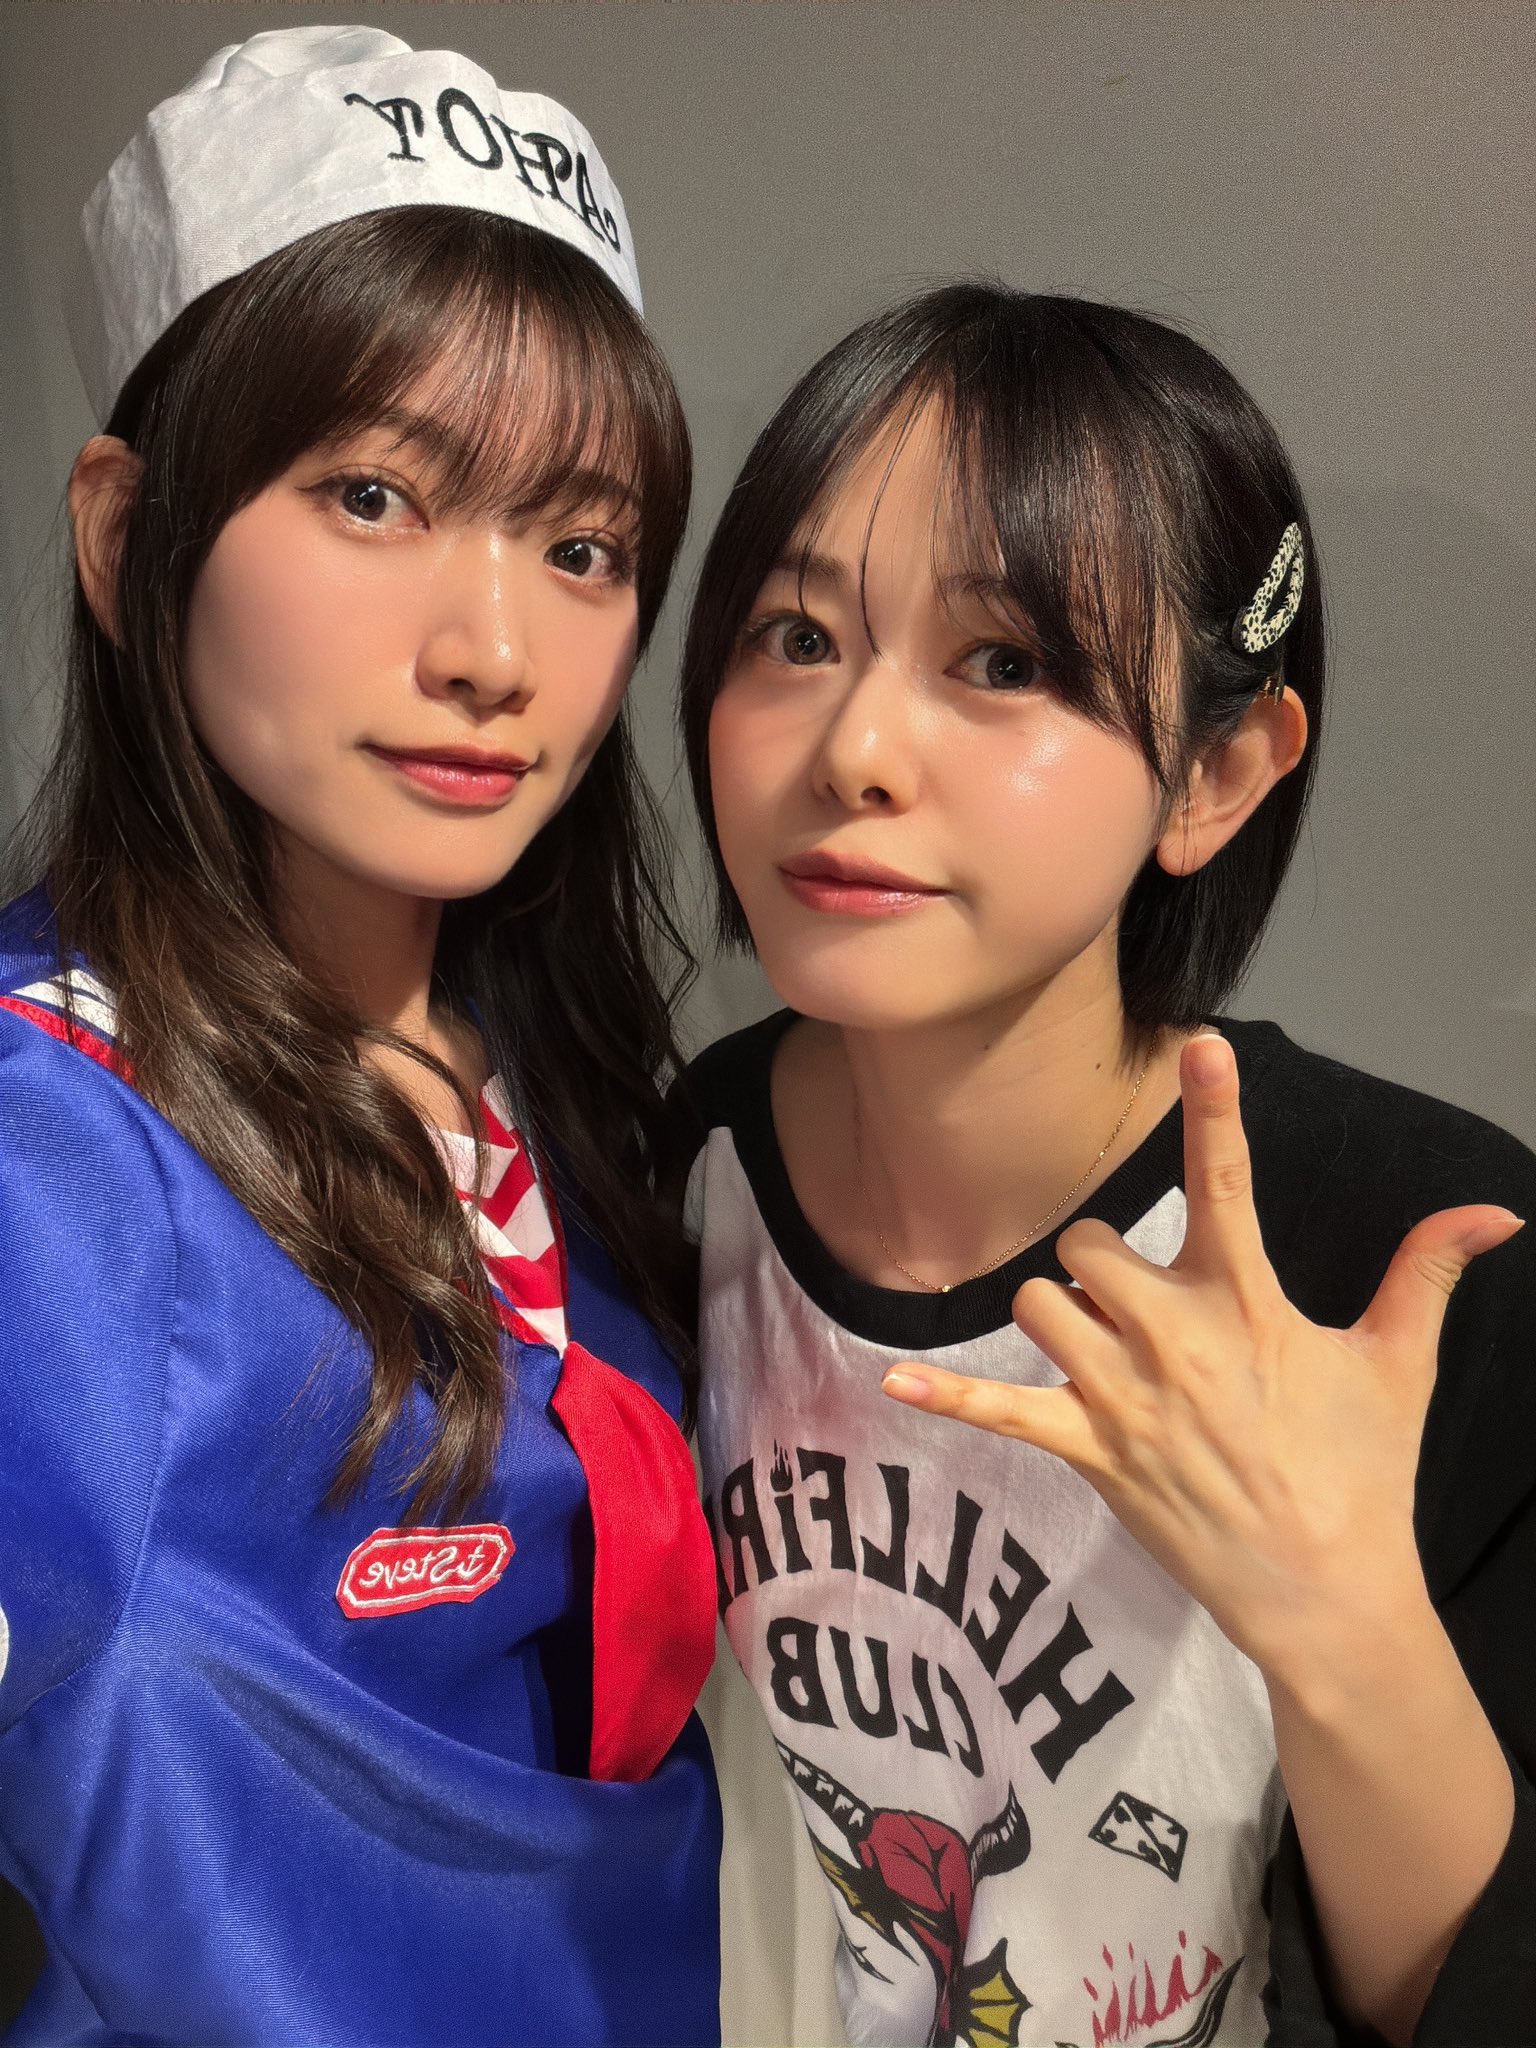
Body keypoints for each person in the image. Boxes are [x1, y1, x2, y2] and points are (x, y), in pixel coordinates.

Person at [677, 283, 1535, 2048]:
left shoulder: (1408, 1267)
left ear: (1216, 773)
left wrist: (1342, 1620)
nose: (853, 752)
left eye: (1005, 664)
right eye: (794, 634)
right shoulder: (680, 1174)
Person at [0, 26, 720, 2045]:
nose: (494, 650)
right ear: (127, 536)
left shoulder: (558, 1065)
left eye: (580, 547)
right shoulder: (53, 1156)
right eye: (376, 495)